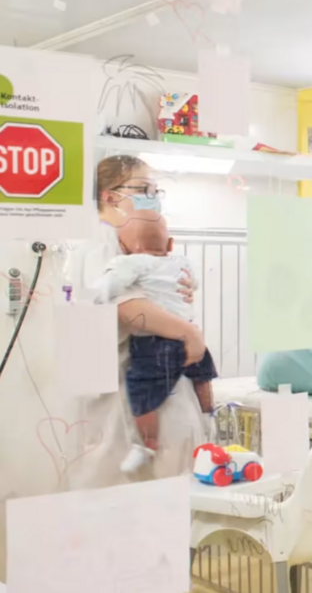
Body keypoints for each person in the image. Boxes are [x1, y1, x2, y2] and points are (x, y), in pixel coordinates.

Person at [65, 155, 207, 488]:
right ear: (109, 196)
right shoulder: (101, 239)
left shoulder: (121, 240)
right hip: (128, 383)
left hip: (146, 375)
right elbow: (126, 306)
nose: (151, 198)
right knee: (149, 482)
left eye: (155, 191)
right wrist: (188, 332)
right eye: (142, 189)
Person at [93, 210, 217, 474]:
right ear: (170, 244)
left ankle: (147, 445)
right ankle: (210, 415)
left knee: (142, 391)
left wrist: (93, 294)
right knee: (202, 375)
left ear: (126, 246)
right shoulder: (180, 261)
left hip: (155, 344)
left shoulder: (130, 262)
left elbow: (108, 289)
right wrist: (189, 329)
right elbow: (189, 284)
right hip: (187, 334)